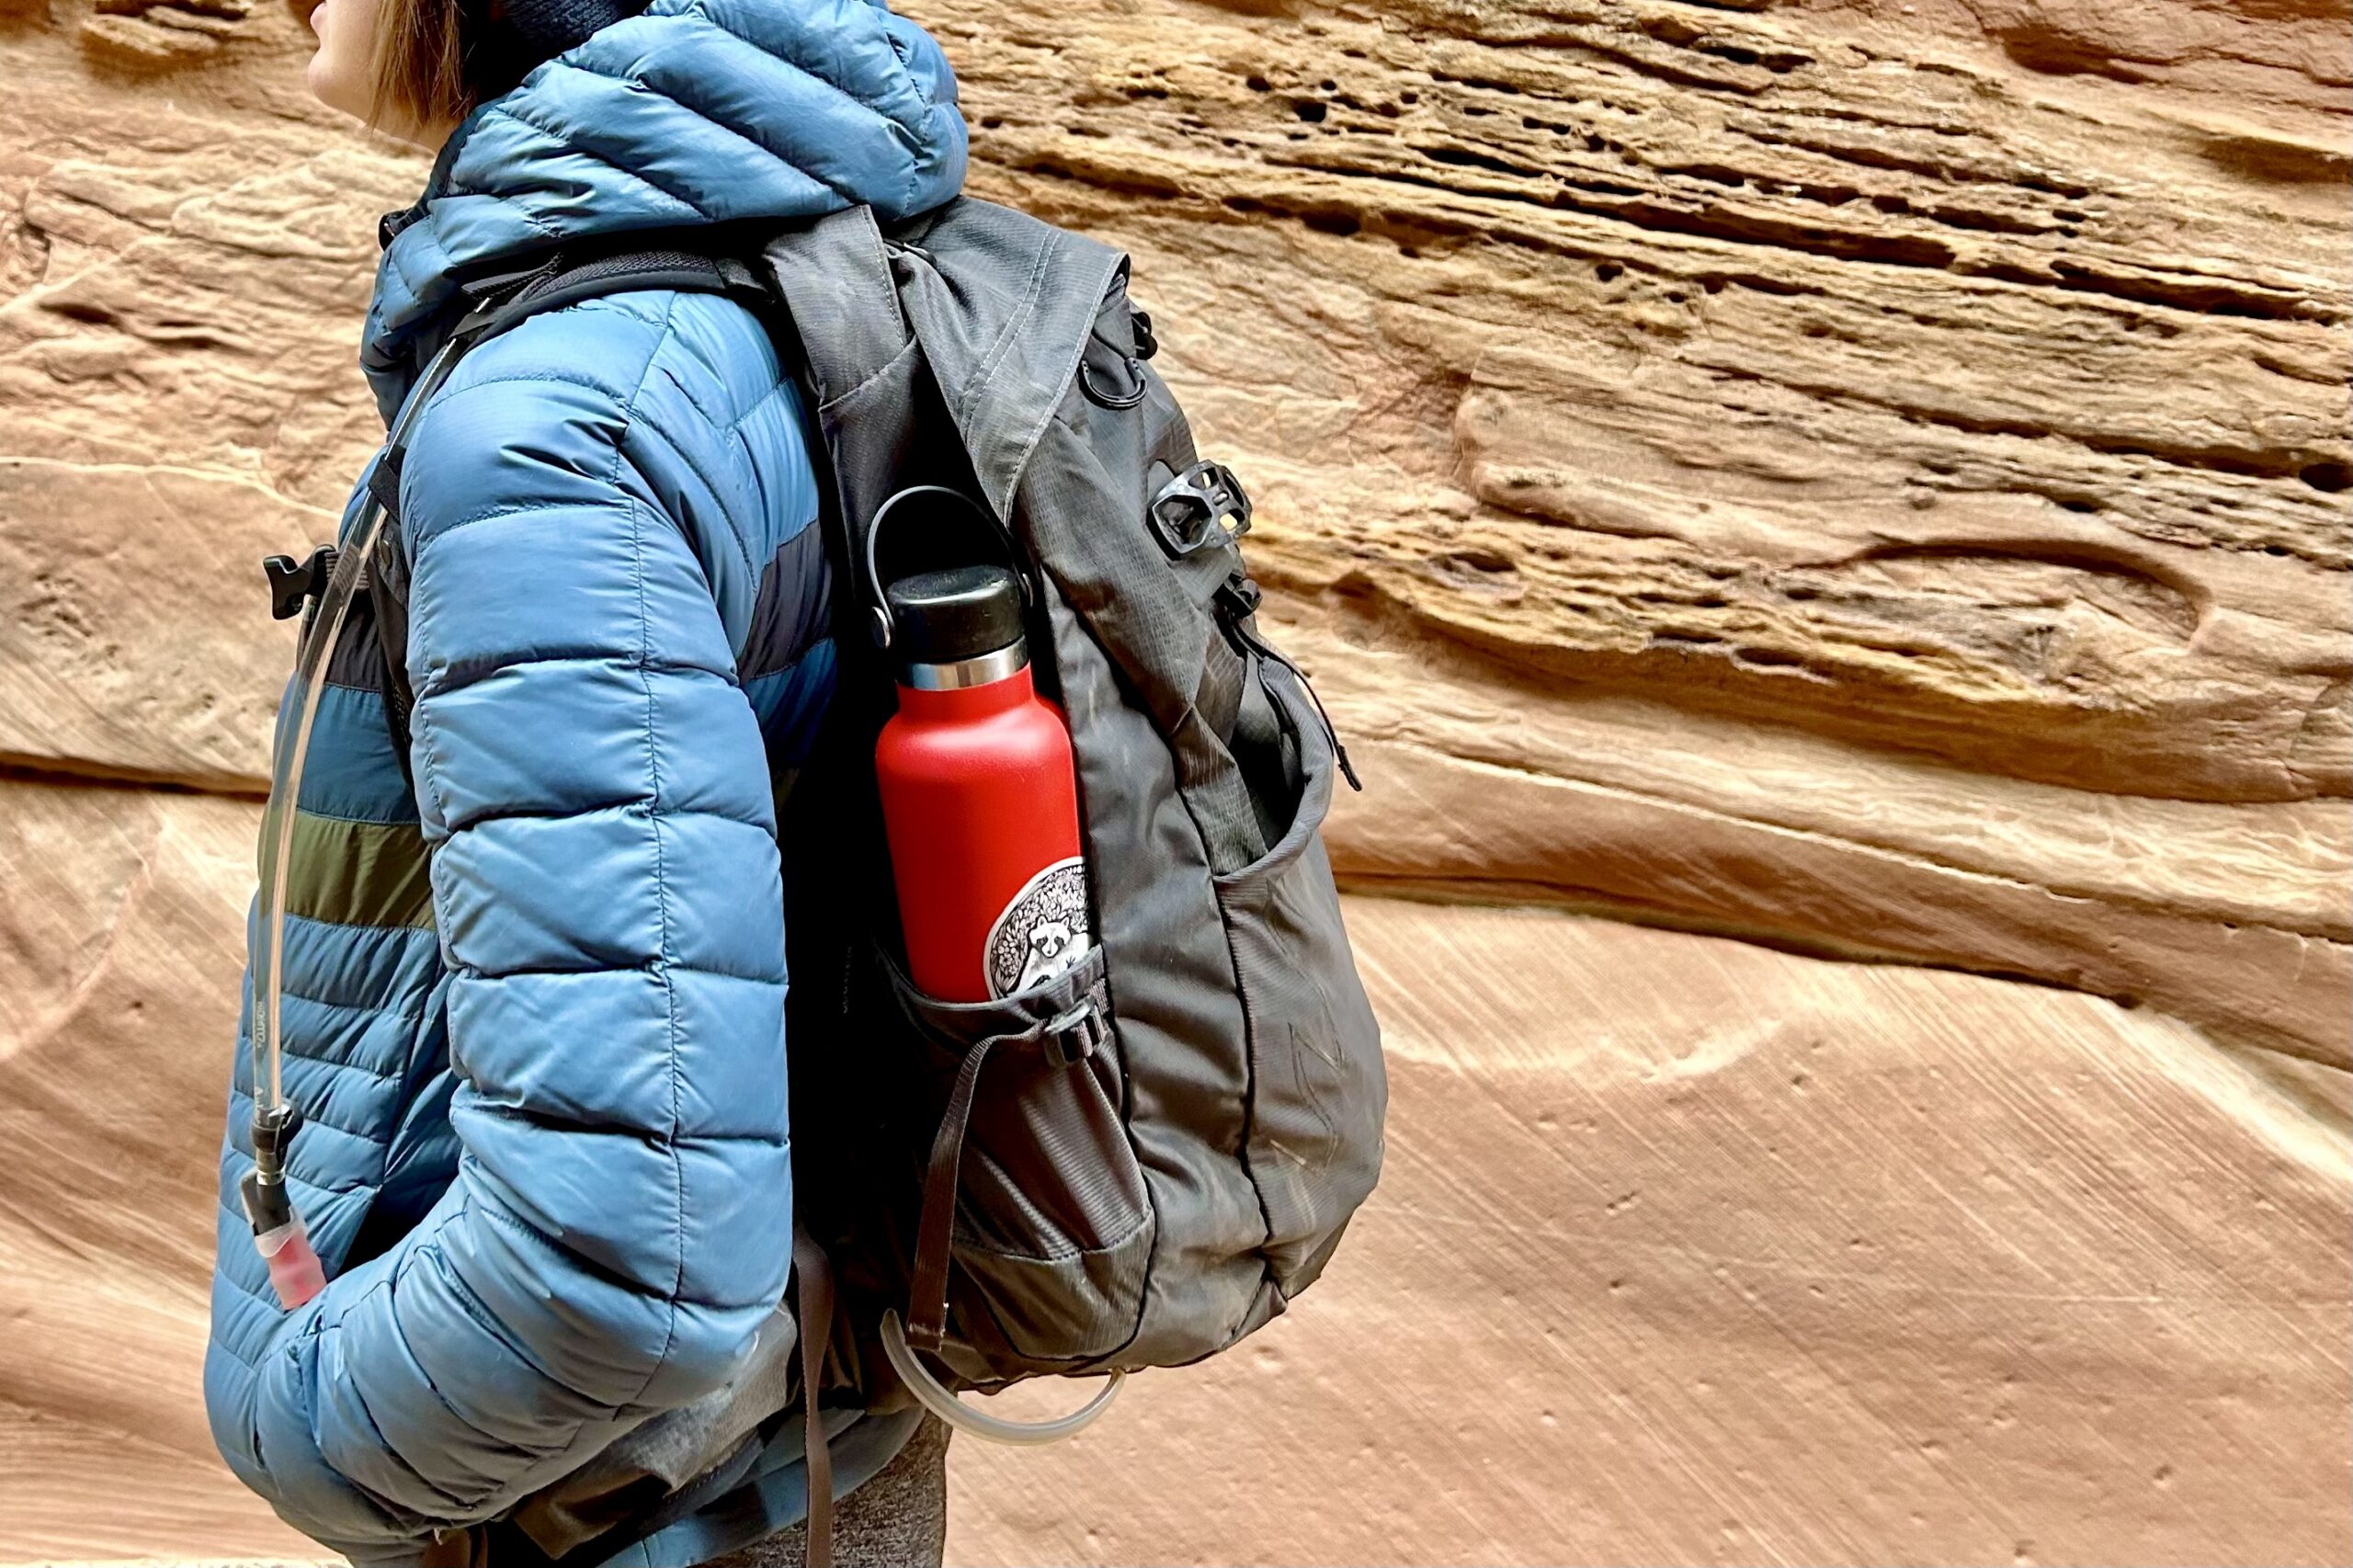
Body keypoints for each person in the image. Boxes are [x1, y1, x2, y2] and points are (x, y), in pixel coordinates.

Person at [200, 0, 968, 1562]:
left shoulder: (550, 428)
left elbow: (630, 1270)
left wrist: (290, 1414)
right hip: (824, 1448)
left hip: (607, 1511)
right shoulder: (820, 280)